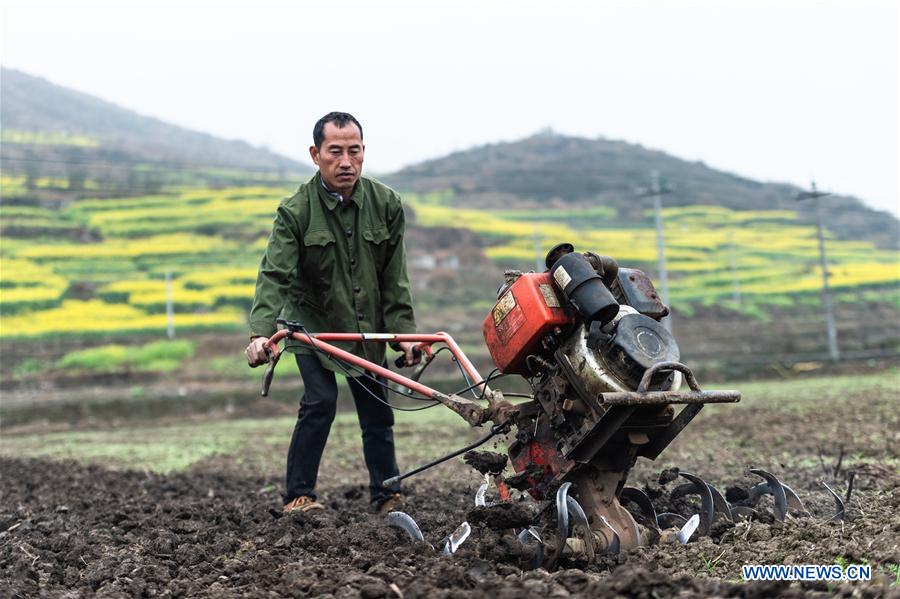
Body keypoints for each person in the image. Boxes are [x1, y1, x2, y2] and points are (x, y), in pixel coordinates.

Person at [245, 112, 419, 514]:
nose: (346, 162)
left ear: (363, 153)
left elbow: (395, 278)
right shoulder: (295, 211)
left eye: (353, 151)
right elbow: (275, 274)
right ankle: (298, 496)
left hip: (367, 328)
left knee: (378, 408)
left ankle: (386, 495)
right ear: (315, 154)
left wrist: (404, 332)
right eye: (335, 151)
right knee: (320, 402)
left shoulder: (386, 204)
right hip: (314, 328)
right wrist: (260, 332)